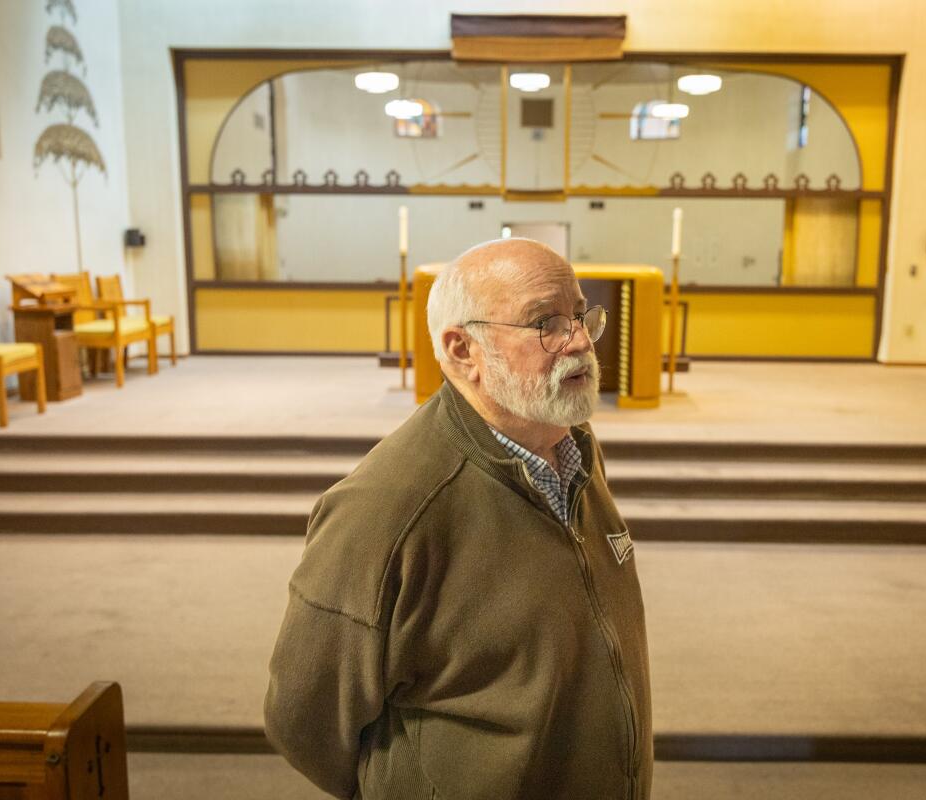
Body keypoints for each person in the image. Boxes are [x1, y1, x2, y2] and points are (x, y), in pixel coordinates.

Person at [264, 238, 652, 800]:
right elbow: (303, 718)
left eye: (580, 314)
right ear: (463, 350)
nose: (581, 341)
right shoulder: (384, 511)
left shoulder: (575, 449)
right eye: (545, 323)